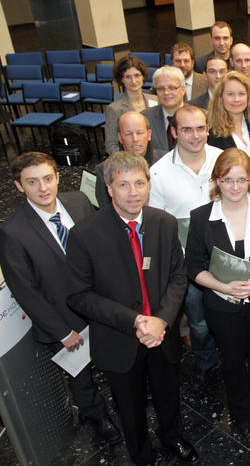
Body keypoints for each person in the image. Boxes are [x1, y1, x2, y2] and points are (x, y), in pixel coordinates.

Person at [66, 152, 198, 465]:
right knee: (130, 404)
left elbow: (179, 276)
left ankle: (173, 438)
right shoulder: (85, 235)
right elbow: (78, 295)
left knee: (168, 395)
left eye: (139, 183)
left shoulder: (164, 224)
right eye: (123, 184)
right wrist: (136, 320)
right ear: (109, 189)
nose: (133, 191)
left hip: (162, 333)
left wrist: (162, 320)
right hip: (119, 339)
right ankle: (141, 454)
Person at [0, 152, 120, 444]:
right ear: (19, 186)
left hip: (100, 304)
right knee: (80, 376)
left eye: (47, 178)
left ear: (57, 176)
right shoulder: (12, 232)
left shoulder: (78, 202)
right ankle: (96, 416)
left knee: (114, 358)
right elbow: (27, 290)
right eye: (32, 182)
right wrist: (61, 331)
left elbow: (102, 245)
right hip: (63, 319)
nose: (43, 188)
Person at [185, 148, 250, 439]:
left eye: (242, 180)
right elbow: (192, 266)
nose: (235, 187)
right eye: (227, 180)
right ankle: (240, 415)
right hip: (221, 305)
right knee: (233, 360)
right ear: (217, 181)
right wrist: (222, 286)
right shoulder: (201, 217)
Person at [149, 105, 223, 389]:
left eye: (200, 128)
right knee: (199, 323)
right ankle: (206, 362)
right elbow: (155, 225)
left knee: (231, 317)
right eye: (187, 129)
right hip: (187, 266)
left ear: (208, 129)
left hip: (226, 260)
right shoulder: (158, 174)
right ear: (174, 132)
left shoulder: (222, 160)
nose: (195, 136)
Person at [206, 71, 250, 181]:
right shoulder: (212, 133)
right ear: (220, 97)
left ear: (249, 96)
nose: (236, 99)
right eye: (230, 94)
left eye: (241, 94)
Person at [96, 111, 166, 207]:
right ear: (120, 138)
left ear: (149, 135)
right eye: (128, 134)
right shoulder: (104, 170)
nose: (135, 139)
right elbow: (107, 211)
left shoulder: (165, 161)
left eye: (140, 133)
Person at [104, 55, 158, 155]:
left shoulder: (155, 100)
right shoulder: (114, 109)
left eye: (137, 75)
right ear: (122, 79)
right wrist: (128, 163)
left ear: (143, 76)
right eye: (128, 77)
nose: (133, 81)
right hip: (131, 161)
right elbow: (111, 145)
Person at [142, 66, 186, 151]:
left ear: (183, 90)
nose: (166, 92)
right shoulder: (145, 118)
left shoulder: (200, 116)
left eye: (172, 88)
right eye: (161, 88)